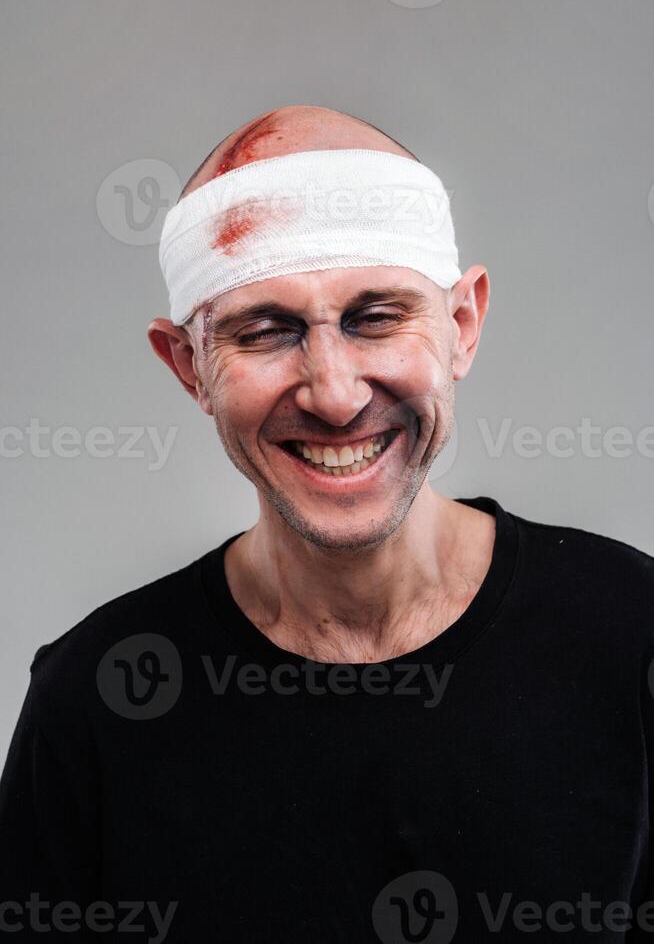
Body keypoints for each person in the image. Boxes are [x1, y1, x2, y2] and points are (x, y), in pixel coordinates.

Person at [1, 104, 653, 943]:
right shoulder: (100, 697)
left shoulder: (628, 634)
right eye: (264, 332)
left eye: (376, 317)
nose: (335, 393)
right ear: (188, 366)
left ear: (462, 326)